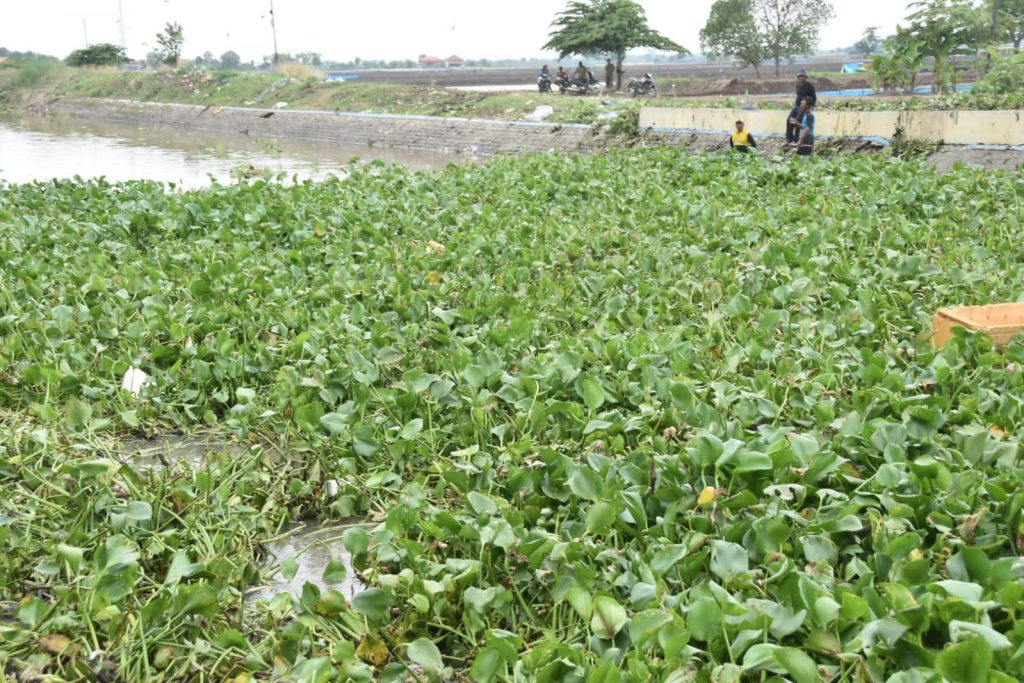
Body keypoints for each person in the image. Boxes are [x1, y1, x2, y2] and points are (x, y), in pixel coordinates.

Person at [786, 71, 817, 144]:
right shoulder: (798, 85)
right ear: (798, 78)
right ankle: (789, 138)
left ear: (805, 78)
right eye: (800, 76)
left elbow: (814, 97)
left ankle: (796, 139)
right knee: (789, 119)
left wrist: (811, 105)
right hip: (797, 105)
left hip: (804, 106)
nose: (801, 78)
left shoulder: (809, 86)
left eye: (803, 76)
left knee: (798, 120)